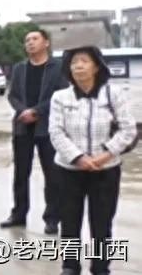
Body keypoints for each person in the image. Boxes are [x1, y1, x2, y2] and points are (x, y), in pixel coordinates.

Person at [49, 45, 137, 275]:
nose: (78, 66)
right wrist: (78, 158)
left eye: (84, 61)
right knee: (69, 221)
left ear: (97, 66)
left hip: (105, 170)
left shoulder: (114, 94)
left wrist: (104, 156)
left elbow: (128, 130)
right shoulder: (60, 97)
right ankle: (70, 266)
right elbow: (56, 132)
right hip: (69, 170)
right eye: (73, 62)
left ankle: (100, 267)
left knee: (101, 222)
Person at [1, 29, 68, 235]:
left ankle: (52, 218)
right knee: (21, 174)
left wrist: (37, 111)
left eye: (35, 39)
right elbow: (12, 95)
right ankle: (18, 214)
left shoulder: (58, 67)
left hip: (48, 127)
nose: (30, 43)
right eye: (27, 40)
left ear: (46, 43)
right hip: (23, 127)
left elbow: (61, 94)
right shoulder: (20, 68)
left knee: (52, 174)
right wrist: (23, 111)